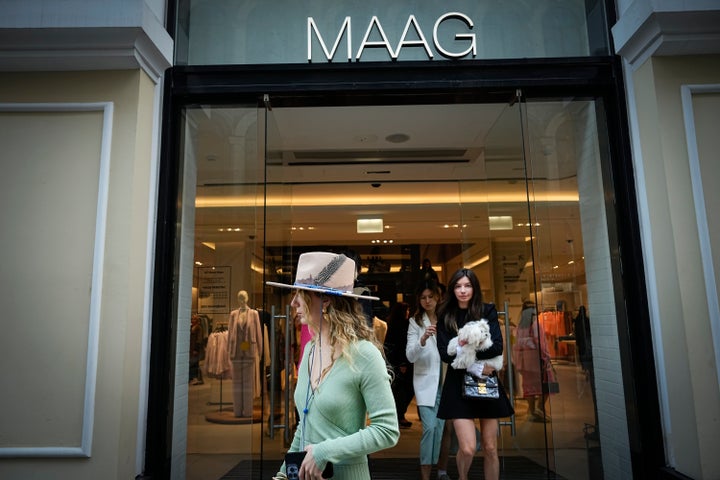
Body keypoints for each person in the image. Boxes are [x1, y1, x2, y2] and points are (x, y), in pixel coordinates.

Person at [267, 252, 400, 480]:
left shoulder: (364, 355)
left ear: (326, 300)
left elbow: (387, 431)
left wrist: (324, 451)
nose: (293, 302)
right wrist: (283, 474)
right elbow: (305, 426)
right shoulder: (310, 349)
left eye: (302, 293)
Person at [436, 268, 514, 480]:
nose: (462, 290)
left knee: (490, 447)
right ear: (452, 289)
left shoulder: (486, 310)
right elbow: (445, 354)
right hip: (458, 385)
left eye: (467, 286)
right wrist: (476, 365)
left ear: (474, 288)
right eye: (458, 286)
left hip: (485, 383)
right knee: (468, 448)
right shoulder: (445, 314)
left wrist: (463, 350)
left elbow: (497, 347)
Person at [406, 280, 451, 480]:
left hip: (447, 382)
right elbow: (410, 356)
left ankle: (441, 471)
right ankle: (426, 475)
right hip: (426, 384)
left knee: (442, 430)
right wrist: (422, 339)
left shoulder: (447, 320)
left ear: (437, 297)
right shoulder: (415, 321)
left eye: (430, 297)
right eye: (423, 298)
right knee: (430, 428)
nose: (427, 301)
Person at [512, 301, 554, 422]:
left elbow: (517, 345)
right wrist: (546, 358)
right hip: (536, 360)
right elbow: (541, 343)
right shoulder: (535, 325)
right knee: (547, 384)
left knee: (529, 387)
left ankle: (532, 411)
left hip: (525, 361)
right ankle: (540, 409)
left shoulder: (520, 326)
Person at [383, 301, 415, 428]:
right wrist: (402, 363)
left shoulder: (392, 324)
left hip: (395, 362)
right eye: (406, 310)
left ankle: (398, 415)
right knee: (404, 391)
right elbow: (401, 345)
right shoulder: (402, 325)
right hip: (402, 362)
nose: (408, 313)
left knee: (399, 390)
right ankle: (399, 416)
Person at [189, 314, 204, 385]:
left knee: (195, 364)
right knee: (193, 364)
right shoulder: (192, 327)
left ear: (197, 321)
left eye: (194, 319)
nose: (192, 320)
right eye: (192, 319)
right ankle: (194, 378)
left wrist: (196, 349)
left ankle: (197, 379)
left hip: (195, 349)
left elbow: (199, 339)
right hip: (191, 349)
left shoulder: (198, 328)